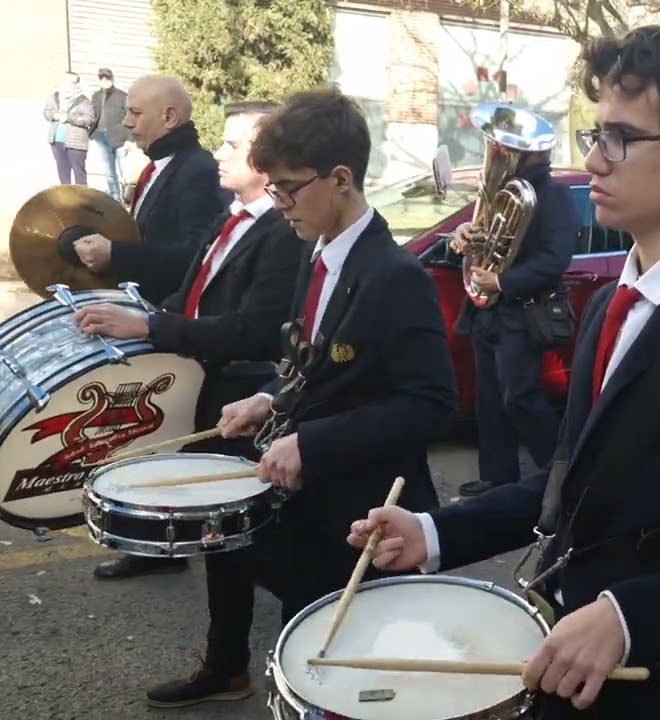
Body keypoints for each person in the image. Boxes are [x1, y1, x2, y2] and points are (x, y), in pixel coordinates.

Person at [347, 19, 660, 719]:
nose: (595, 160)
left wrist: (628, 617)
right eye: (595, 135)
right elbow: (575, 480)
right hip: (568, 675)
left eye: (620, 138)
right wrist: (437, 532)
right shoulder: (608, 306)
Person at [143, 88, 458, 709]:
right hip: (313, 514)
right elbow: (305, 364)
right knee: (303, 666)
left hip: (366, 522)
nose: (279, 203)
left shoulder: (395, 276)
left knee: (353, 685)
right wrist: (267, 396)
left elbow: (432, 404)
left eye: (289, 187)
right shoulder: (317, 254)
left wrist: (312, 441)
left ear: (341, 179)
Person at [79, 101, 301, 580]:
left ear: (269, 159)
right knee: (185, 502)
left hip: (238, 386)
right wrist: (147, 315)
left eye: (234, 145)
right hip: (199, 375)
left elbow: (253, 330)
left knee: (231, 539)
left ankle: (228, 652)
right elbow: (194, 290)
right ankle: (168, 561)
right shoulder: (232, 216)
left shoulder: (284, 232)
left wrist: (151, 328)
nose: (218, 152)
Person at [450, 148, 576, 498]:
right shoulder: (501, 193)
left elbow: (556, 259)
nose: (501, 155)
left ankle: (560, 471)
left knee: (519, 397)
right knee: (488, 399)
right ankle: (497, 477)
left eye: (510, 150)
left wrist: (503, 282)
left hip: (521, 310)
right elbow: (481, 242)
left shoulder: (555, 195)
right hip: (486, 310)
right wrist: (463, 237)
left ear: (533, 153)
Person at [73, 75, 227, 306]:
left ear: (169, 117)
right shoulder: (159, 166)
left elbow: (197, 256)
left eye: (135, 113)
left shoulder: (199, 171)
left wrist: (115, 254)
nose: (127, 122)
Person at [44, 72, 96, 186]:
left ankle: (82, 200)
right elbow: (47, 112)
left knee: (79, 173)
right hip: (57, 140)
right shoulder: (55, 97)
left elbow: (89, 119)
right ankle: (66, 200)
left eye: (73, 82)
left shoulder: (84, 101)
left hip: (76, 143)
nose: (70, 84)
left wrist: (69, 118)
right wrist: (54, 116)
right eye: (68, 81)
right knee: (63, 172)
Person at [90, 68, 128, 201]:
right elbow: (92, 115)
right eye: (102, 78)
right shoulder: (96, 96)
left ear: (112, 79)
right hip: (101, 136)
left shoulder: (122, 96)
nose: (105, 81)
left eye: (107, 78)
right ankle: (115, 198)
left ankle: (127, 196)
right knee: (109, 171)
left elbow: (129, 117)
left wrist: (129, 137)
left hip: (119, 137)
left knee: (124, 170)